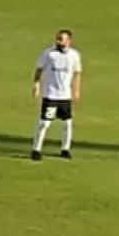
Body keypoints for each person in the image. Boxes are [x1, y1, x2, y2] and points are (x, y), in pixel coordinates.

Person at [31, 30, 83, 161]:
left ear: (69, 41)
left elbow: (77, 73)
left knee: (67, 123)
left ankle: (65, 149)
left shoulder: (74, 55)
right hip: (51, 94)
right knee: (44, 123)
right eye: (58, 39)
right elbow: (39, 69)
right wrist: (36, 85)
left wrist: (76, 90)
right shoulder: (48, 54)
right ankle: (36, 149)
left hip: (65, 96)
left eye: (62, 39)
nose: (59, 41)